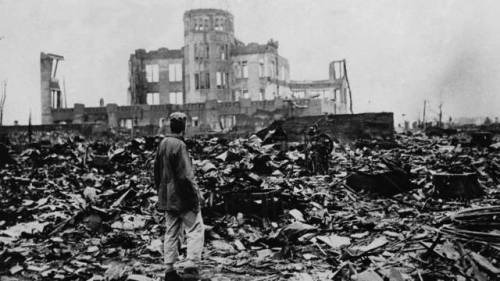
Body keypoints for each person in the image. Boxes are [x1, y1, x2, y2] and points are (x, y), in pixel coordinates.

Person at [154, 112, 204, 281]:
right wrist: (196, 194)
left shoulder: (163, 144)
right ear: (184, 128)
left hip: (167, 198)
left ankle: (169, 270)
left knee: (171, 231)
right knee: (195, 228)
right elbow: (186, 176)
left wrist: (161, 192)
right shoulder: (180, 146)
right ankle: (191, 266)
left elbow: (156, 172)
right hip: (183, 198)